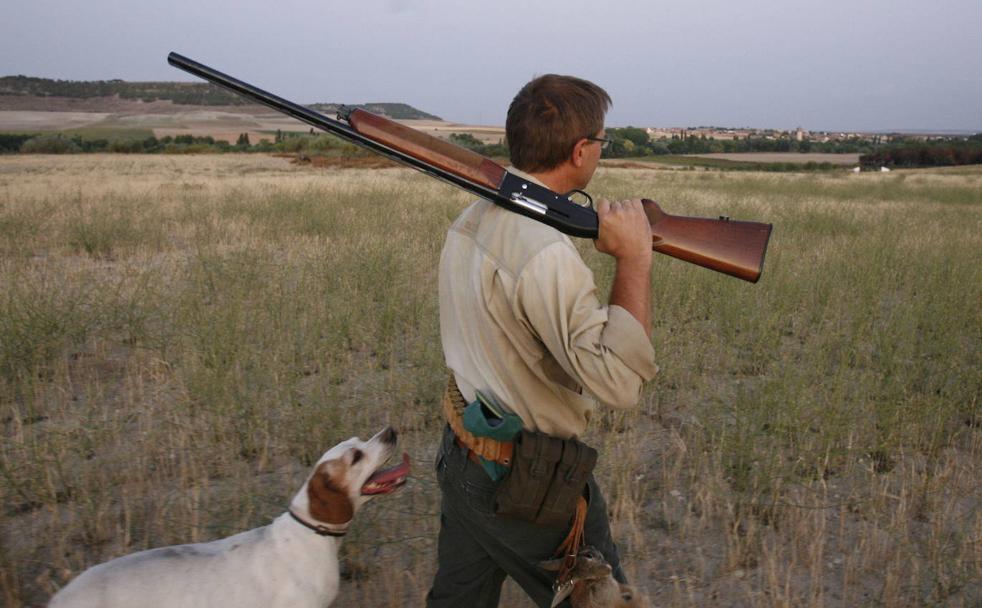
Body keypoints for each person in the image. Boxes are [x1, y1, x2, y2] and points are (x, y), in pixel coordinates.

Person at [427, 74, 658, 608]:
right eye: (601, 140)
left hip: (463, 454)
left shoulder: (472, 216)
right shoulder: (545, 252)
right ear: (581, 151)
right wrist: (635, 257)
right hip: (529, 485)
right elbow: (619, 383)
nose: (600, 150)